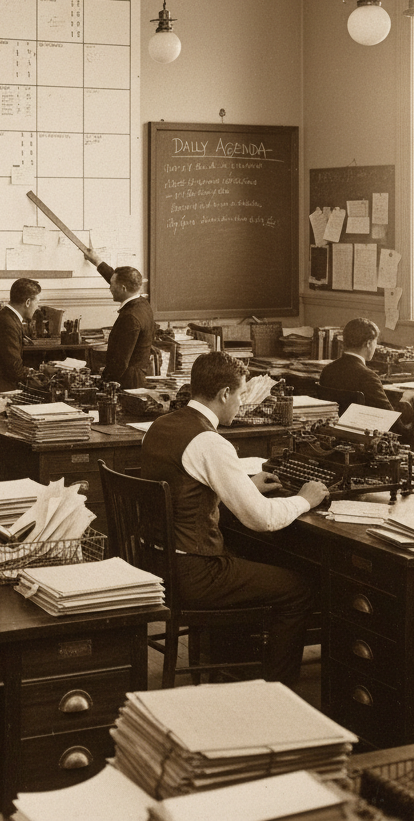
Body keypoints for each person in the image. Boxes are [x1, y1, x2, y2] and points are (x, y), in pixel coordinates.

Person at [140, 351, 329, 686]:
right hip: (193, 574)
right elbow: (263, 520)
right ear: (225, 393)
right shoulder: (209, 442)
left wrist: (245, 485)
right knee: (298, 588)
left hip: (154, 563)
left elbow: (186, 490)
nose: (241, 404)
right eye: (241, 394)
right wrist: (305, 499)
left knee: (252, 557)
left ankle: (236, 668)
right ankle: (277, 691)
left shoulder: (161, 426)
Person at [83, 250, 155, 388]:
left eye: (111, 285)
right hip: (135, 377)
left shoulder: (130, 317)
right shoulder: (142, 303)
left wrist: (103, 381)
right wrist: (97, 261)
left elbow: (120, 362)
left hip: (127, 383)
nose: (110, 288)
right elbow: (115, 278)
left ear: (123, 288)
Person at [318, 317, 393, 411]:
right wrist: (405, 400)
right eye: (375, 342)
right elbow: (391, 417)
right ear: (368, 343)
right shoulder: (368, 377)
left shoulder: (327, 370)